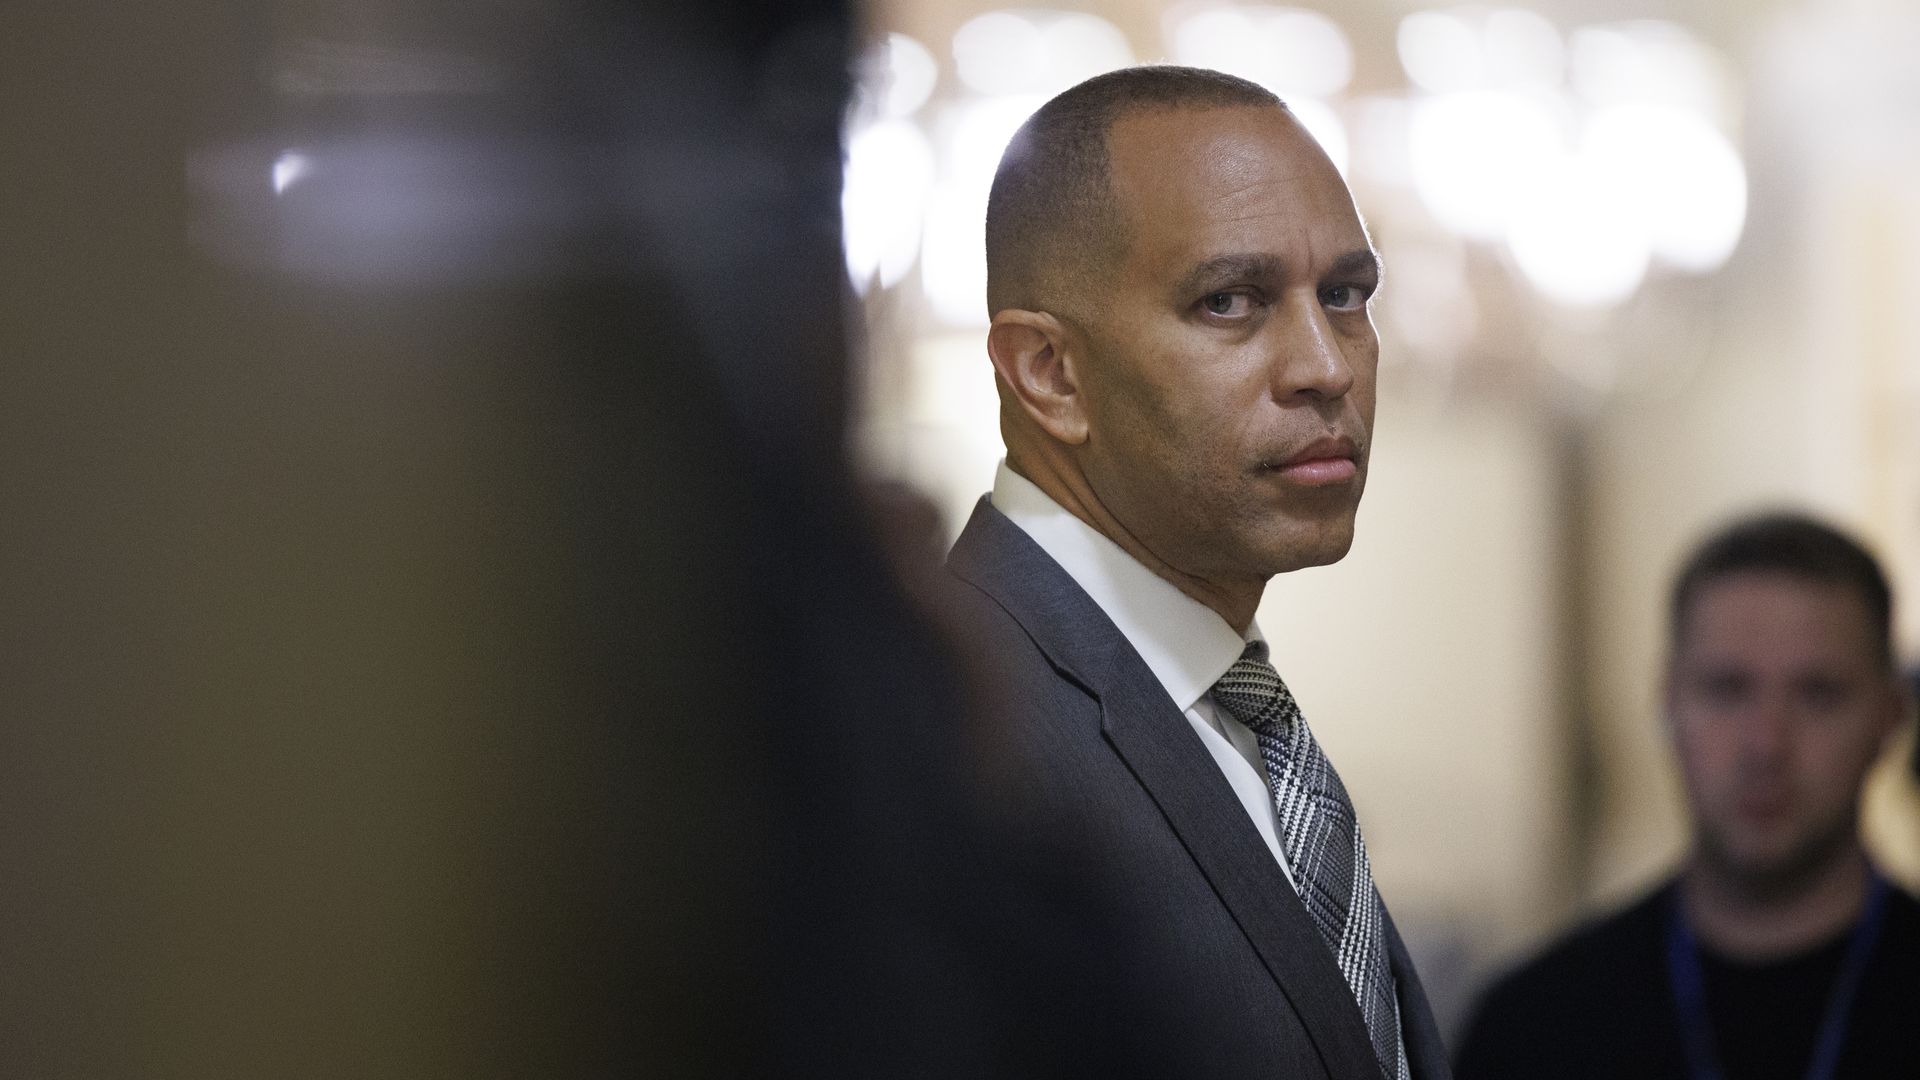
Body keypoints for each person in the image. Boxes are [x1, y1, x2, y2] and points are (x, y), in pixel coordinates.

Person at [942, 66, 1450, 1079]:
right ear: (1049, 373)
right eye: (1229, 301)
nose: (1327, 366)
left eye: (1345, 295)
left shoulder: (1232, 710)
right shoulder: (957, 734)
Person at [1455, 513, 1920, 1080]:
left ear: (1890, 714)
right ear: (1669, 701)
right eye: (1727, 689)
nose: (1765, 744)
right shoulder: (1533, 1025)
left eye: (1818, 695)